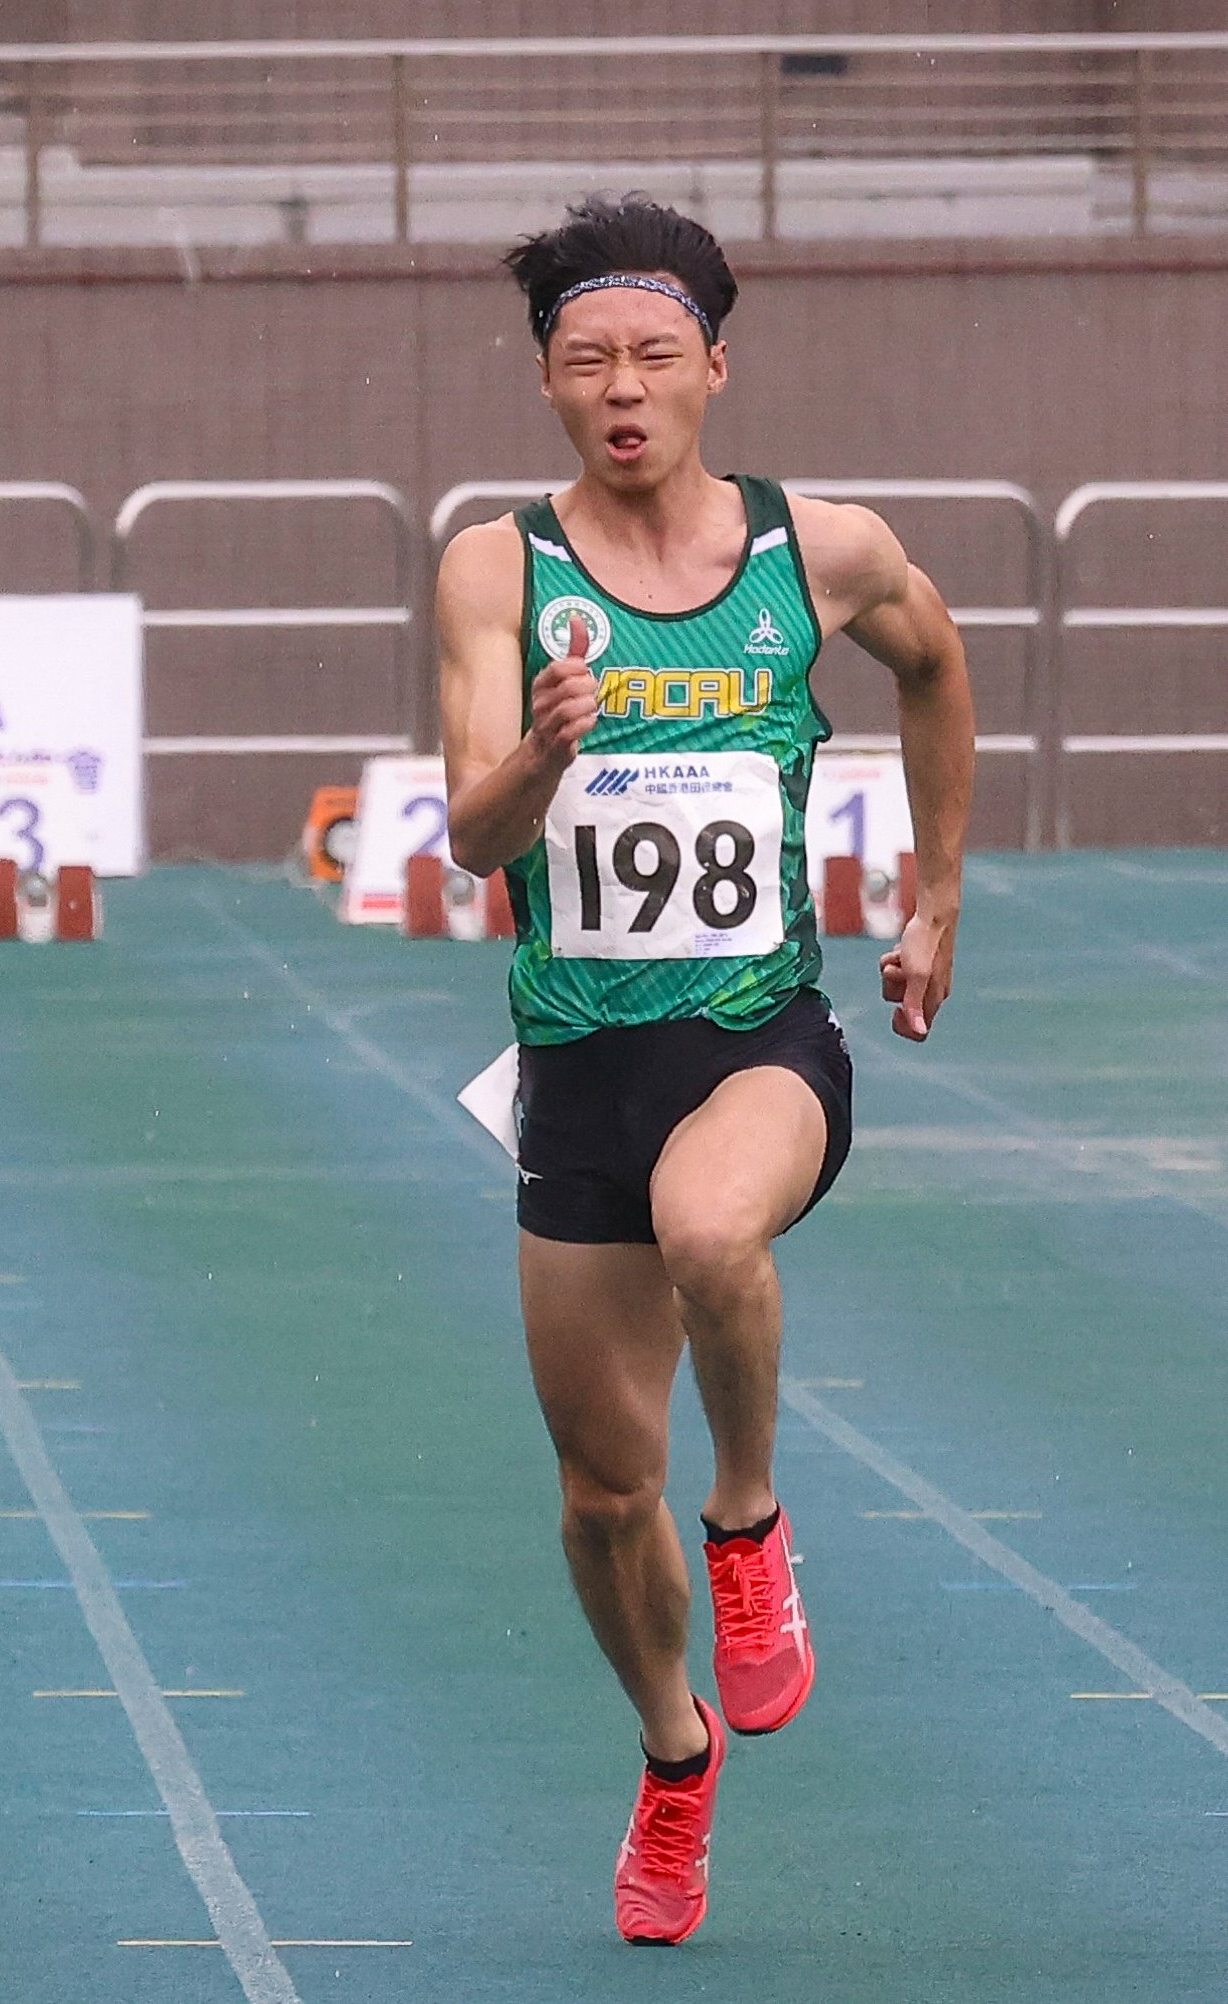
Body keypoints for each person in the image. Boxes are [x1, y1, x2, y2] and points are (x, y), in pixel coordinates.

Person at [437, 194, 969, 1947]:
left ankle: (747, 1520)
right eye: (586, 359)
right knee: (597, 1498)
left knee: (709, 1232)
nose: (620, 388)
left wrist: (932, 893)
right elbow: (463, 838)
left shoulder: (808, 551)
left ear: (712, 372)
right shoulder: (495, 569)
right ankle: (671, 1764)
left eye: (653, 357)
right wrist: (538, 751)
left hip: (757, 1039)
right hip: (572, 1059)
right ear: (543, 382)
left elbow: (936, 660)